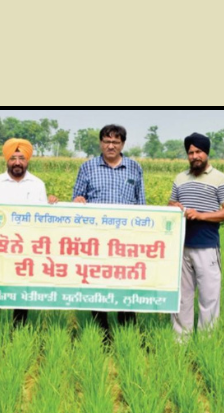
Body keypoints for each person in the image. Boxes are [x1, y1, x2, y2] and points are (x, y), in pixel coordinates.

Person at [0, 138, 59, 328]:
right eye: (13, 158)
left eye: (21, 158)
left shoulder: (37, 184)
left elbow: (44, 219)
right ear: (7, 160)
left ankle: (18, 331)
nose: (17, 162)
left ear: (28, 160)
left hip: (26, 248)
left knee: (22, 289)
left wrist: (52, 205)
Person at [72, 124, 144, 337]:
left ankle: (127, 328)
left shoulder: (134, 168)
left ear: (123, 144)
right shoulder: (87, 167)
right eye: (107, 141)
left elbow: (141, 204)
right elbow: (76, 199)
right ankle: (101, 331)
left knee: (126, 282)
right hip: (96, 239)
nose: (111, 146)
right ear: (100, 143)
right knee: (98, 283)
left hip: (125, 240)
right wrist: (78, 200)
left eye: (115, 142)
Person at [167, 133, 224, 339]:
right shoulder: (180, 178)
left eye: (198, 152)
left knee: (209, 296)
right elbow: (170, 204)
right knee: (182, 297)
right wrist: (174, 206)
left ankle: (207, 340)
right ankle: (181, 340)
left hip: (207, 246)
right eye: (190, 152)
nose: (194, 156)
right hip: (182, 246)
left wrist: (201, 215)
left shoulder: (220, 178)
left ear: (206, 153)